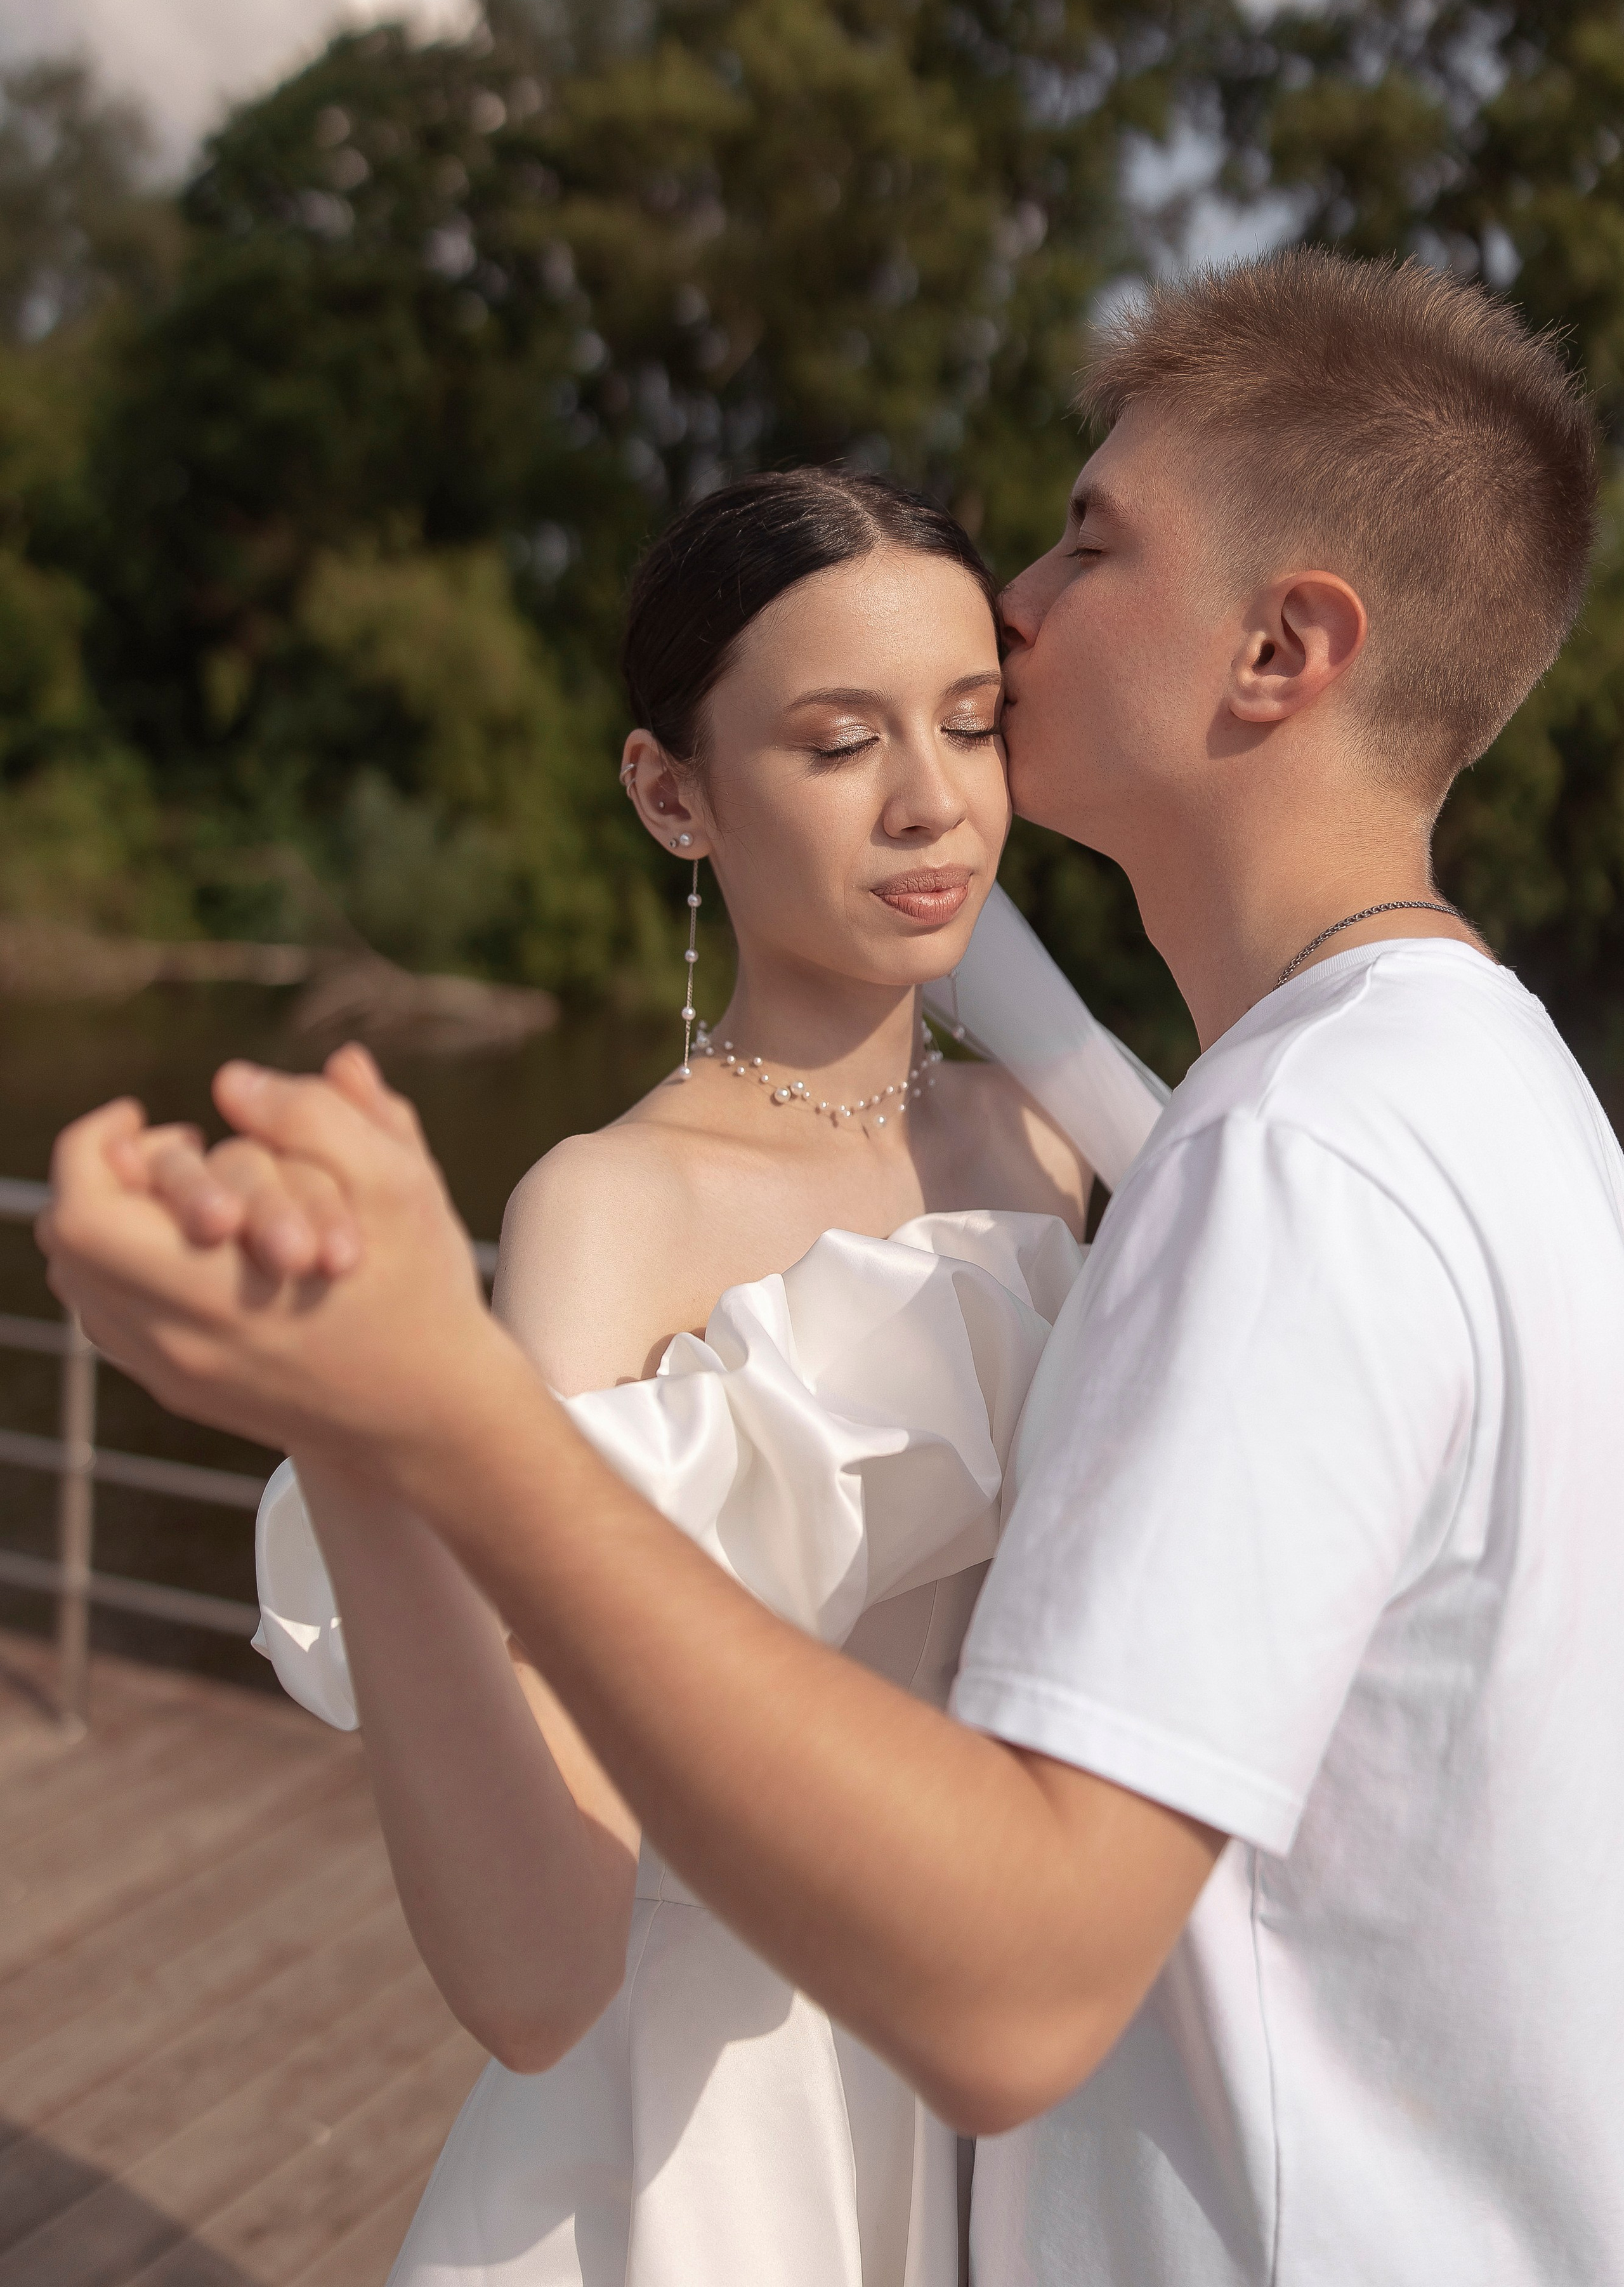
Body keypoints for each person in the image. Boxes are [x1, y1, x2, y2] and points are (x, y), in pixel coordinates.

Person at [42, 249, 1624, 2287]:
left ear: (1283, 648)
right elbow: (541, 1943)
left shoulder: (1259, 1158)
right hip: (745, 2166)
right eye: (839, 736)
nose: (1027, 622)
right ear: (672, 793)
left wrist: (415, 1399)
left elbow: (1027, 1958)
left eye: (1083, 542)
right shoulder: (1493, 1097)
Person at [122, 466, 1155, 2287]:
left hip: (1029, 2086)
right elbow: (537, 1880)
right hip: (711, 2128)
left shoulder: (1053, 1144)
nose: (934, 804)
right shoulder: (611, 1206)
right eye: (839, 745)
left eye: (972, 725)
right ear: (673, 792)